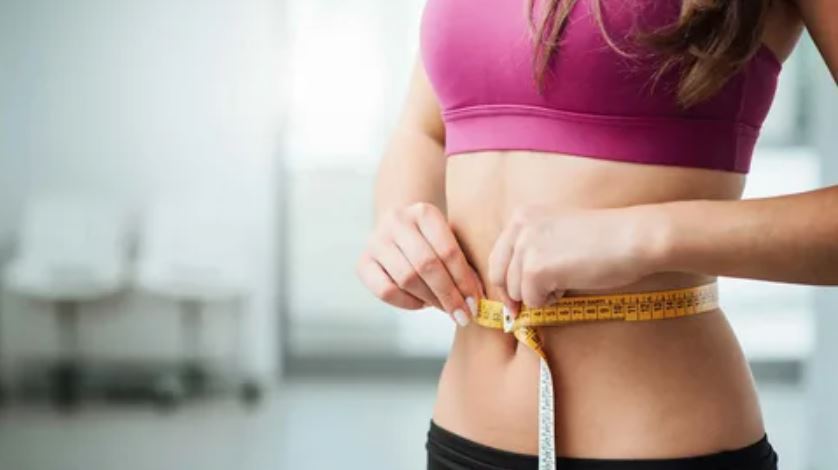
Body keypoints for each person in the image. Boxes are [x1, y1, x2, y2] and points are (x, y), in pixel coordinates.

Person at [355, 0, 837, 468]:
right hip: (461, 437)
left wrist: (639, 235)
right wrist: (399, 218)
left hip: (659, 443)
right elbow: (425, 128)